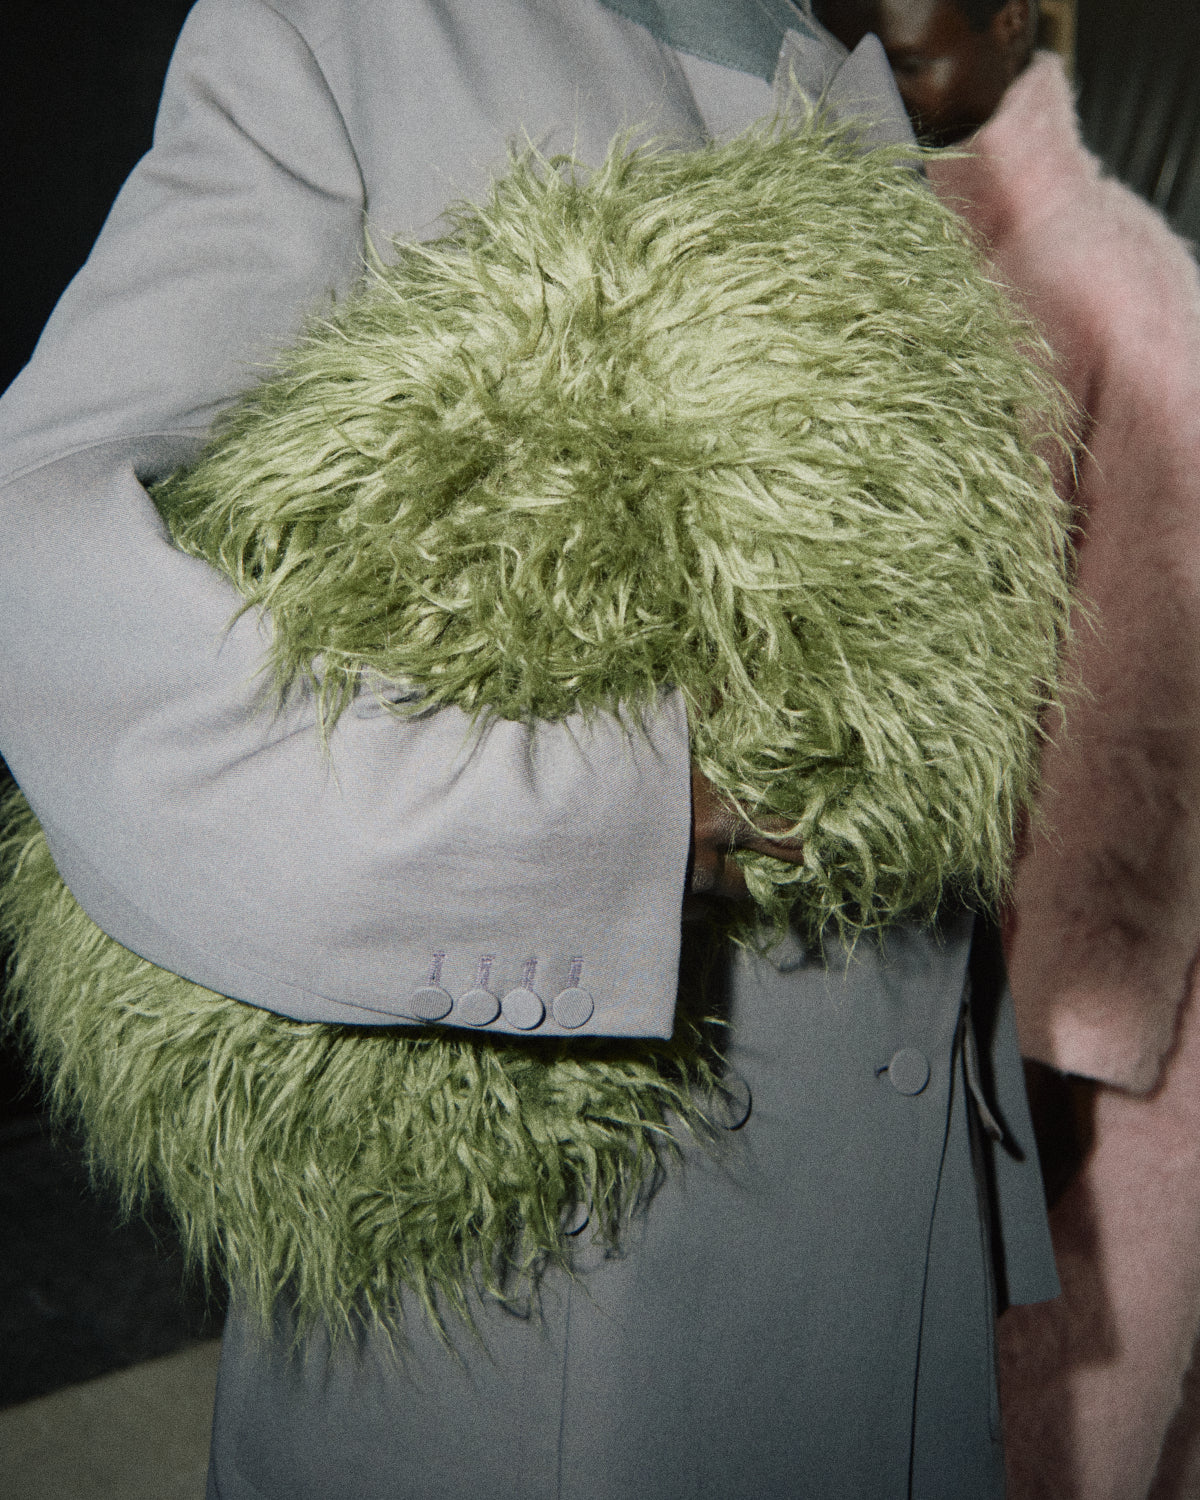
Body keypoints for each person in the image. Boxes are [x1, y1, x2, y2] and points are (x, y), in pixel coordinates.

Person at [0, 3, 1060, 1495]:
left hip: (877, 1210)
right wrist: (597, 823)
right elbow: (34, 547)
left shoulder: (834, 64)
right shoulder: (359, 29)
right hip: (548, 1254)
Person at [815, 2, 1200, 1496]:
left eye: (916, 43)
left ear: (1019, 14)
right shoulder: (863, 246)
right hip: (909, 991)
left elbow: (1145, 722)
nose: (881, 54)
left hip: (1069, 1029)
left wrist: (1055, 1059)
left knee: (1048, 1425)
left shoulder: (1123, 287)